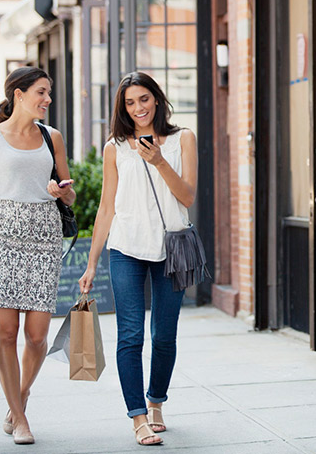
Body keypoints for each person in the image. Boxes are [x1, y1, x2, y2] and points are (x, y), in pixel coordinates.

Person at [79, 72, 197, 446]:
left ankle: (157, 400)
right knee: (129, 336)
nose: (138, 108)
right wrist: (92, 261)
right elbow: (106, 206)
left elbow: (188, 196)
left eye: (144, 99)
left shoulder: (183, 139)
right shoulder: (115, 147)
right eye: (130, 103)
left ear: (157, 100)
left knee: (164, 335)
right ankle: (138, 417)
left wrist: (160, 160)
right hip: (126, 248)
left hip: (171, 252)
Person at [0, 67, 75, 446]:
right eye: (42, 92)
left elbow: (70, 195)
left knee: (38, 336)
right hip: (2, 239)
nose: (48, 99)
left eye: (49, 92)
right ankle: (20, 418)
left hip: (43, 236)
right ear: (19, 94)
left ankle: (20, 397)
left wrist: (62, 194)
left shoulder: (51, 137)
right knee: (6, 333)